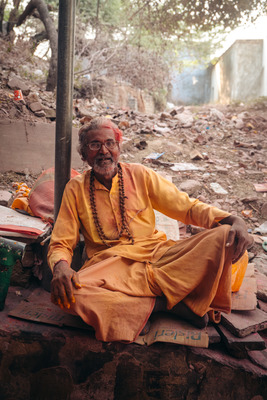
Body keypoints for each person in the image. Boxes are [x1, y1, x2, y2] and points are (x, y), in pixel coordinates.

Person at [47, 117, 253, 342]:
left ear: (118, 148)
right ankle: (166, 304)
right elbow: (62, 241)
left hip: (160, 257)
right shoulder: (75, 189)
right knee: (70, 295)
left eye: (110, 143)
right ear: (84, 154)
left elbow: (186, 207)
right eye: (94, 145)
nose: (103, 151)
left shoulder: (140, 175)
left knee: (224, 236)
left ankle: (134, 308)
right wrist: (60, 267)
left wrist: (233, 220)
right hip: (112, 267)